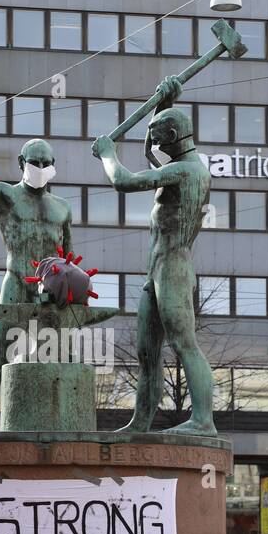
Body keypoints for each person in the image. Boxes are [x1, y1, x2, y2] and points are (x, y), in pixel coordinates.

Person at [91, 75, 216, 435]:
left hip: (174, 267)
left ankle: (203, 421)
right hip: (156, 271)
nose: (154, 145)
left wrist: (108, 155)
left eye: (160, 138)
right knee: (147, 354)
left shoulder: (187, 171)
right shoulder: (178, 166)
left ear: (173, 139)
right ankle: (139, 422)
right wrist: (165, 102)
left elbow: (124, 181)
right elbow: (156, 149)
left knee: (183, 343)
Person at [0, 120, 72, 427]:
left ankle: (49, 425)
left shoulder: (63, 208)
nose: (41, 167)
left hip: (50, 291)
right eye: (35, 162)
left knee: (55, 362)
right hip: (17, 283)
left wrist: (71, 293)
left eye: (46, 163)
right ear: (22, 163)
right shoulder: (7, 196)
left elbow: (68, 257)